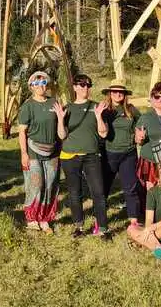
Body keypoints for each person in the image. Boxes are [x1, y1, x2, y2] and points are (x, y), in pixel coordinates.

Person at [61, 74, 111, 239]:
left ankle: (103, 228)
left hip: (92, 156)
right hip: (70, 156)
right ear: (74, 87)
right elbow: (61, 135)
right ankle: (79, 227)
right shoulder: (67, 108)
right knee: (75, 192)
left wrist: (98, 117)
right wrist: (60, 119)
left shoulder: (96, 107)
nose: (85, 88)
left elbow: (103, 134)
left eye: (88, 85)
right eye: (82, 85)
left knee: (98, 192)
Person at [17, 70, 67, 232]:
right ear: (31, 86)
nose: (40, 86)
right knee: (36, 184)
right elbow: (22, 132)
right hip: (33, 151)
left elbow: (61, 131)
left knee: (50, 184)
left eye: (43, 82)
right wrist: (24, 154)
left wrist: (60, 118)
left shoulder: (54, 102)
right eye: (36, 83)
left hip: (52, 151)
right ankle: (32, 217)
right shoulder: (27, 106)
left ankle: (45, 218)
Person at [100, 82, 142, 231]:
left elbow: (141, 124)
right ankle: (101, 219)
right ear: (110, 93)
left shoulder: (131, 110)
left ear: (125, 95)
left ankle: (134, 220)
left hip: (128, 153)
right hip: (109, 153)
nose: (118, 94)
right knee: (103, 186)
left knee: (130, 187)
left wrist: (139, 133)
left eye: (121, 92)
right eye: (115, 92)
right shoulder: (105, 110)